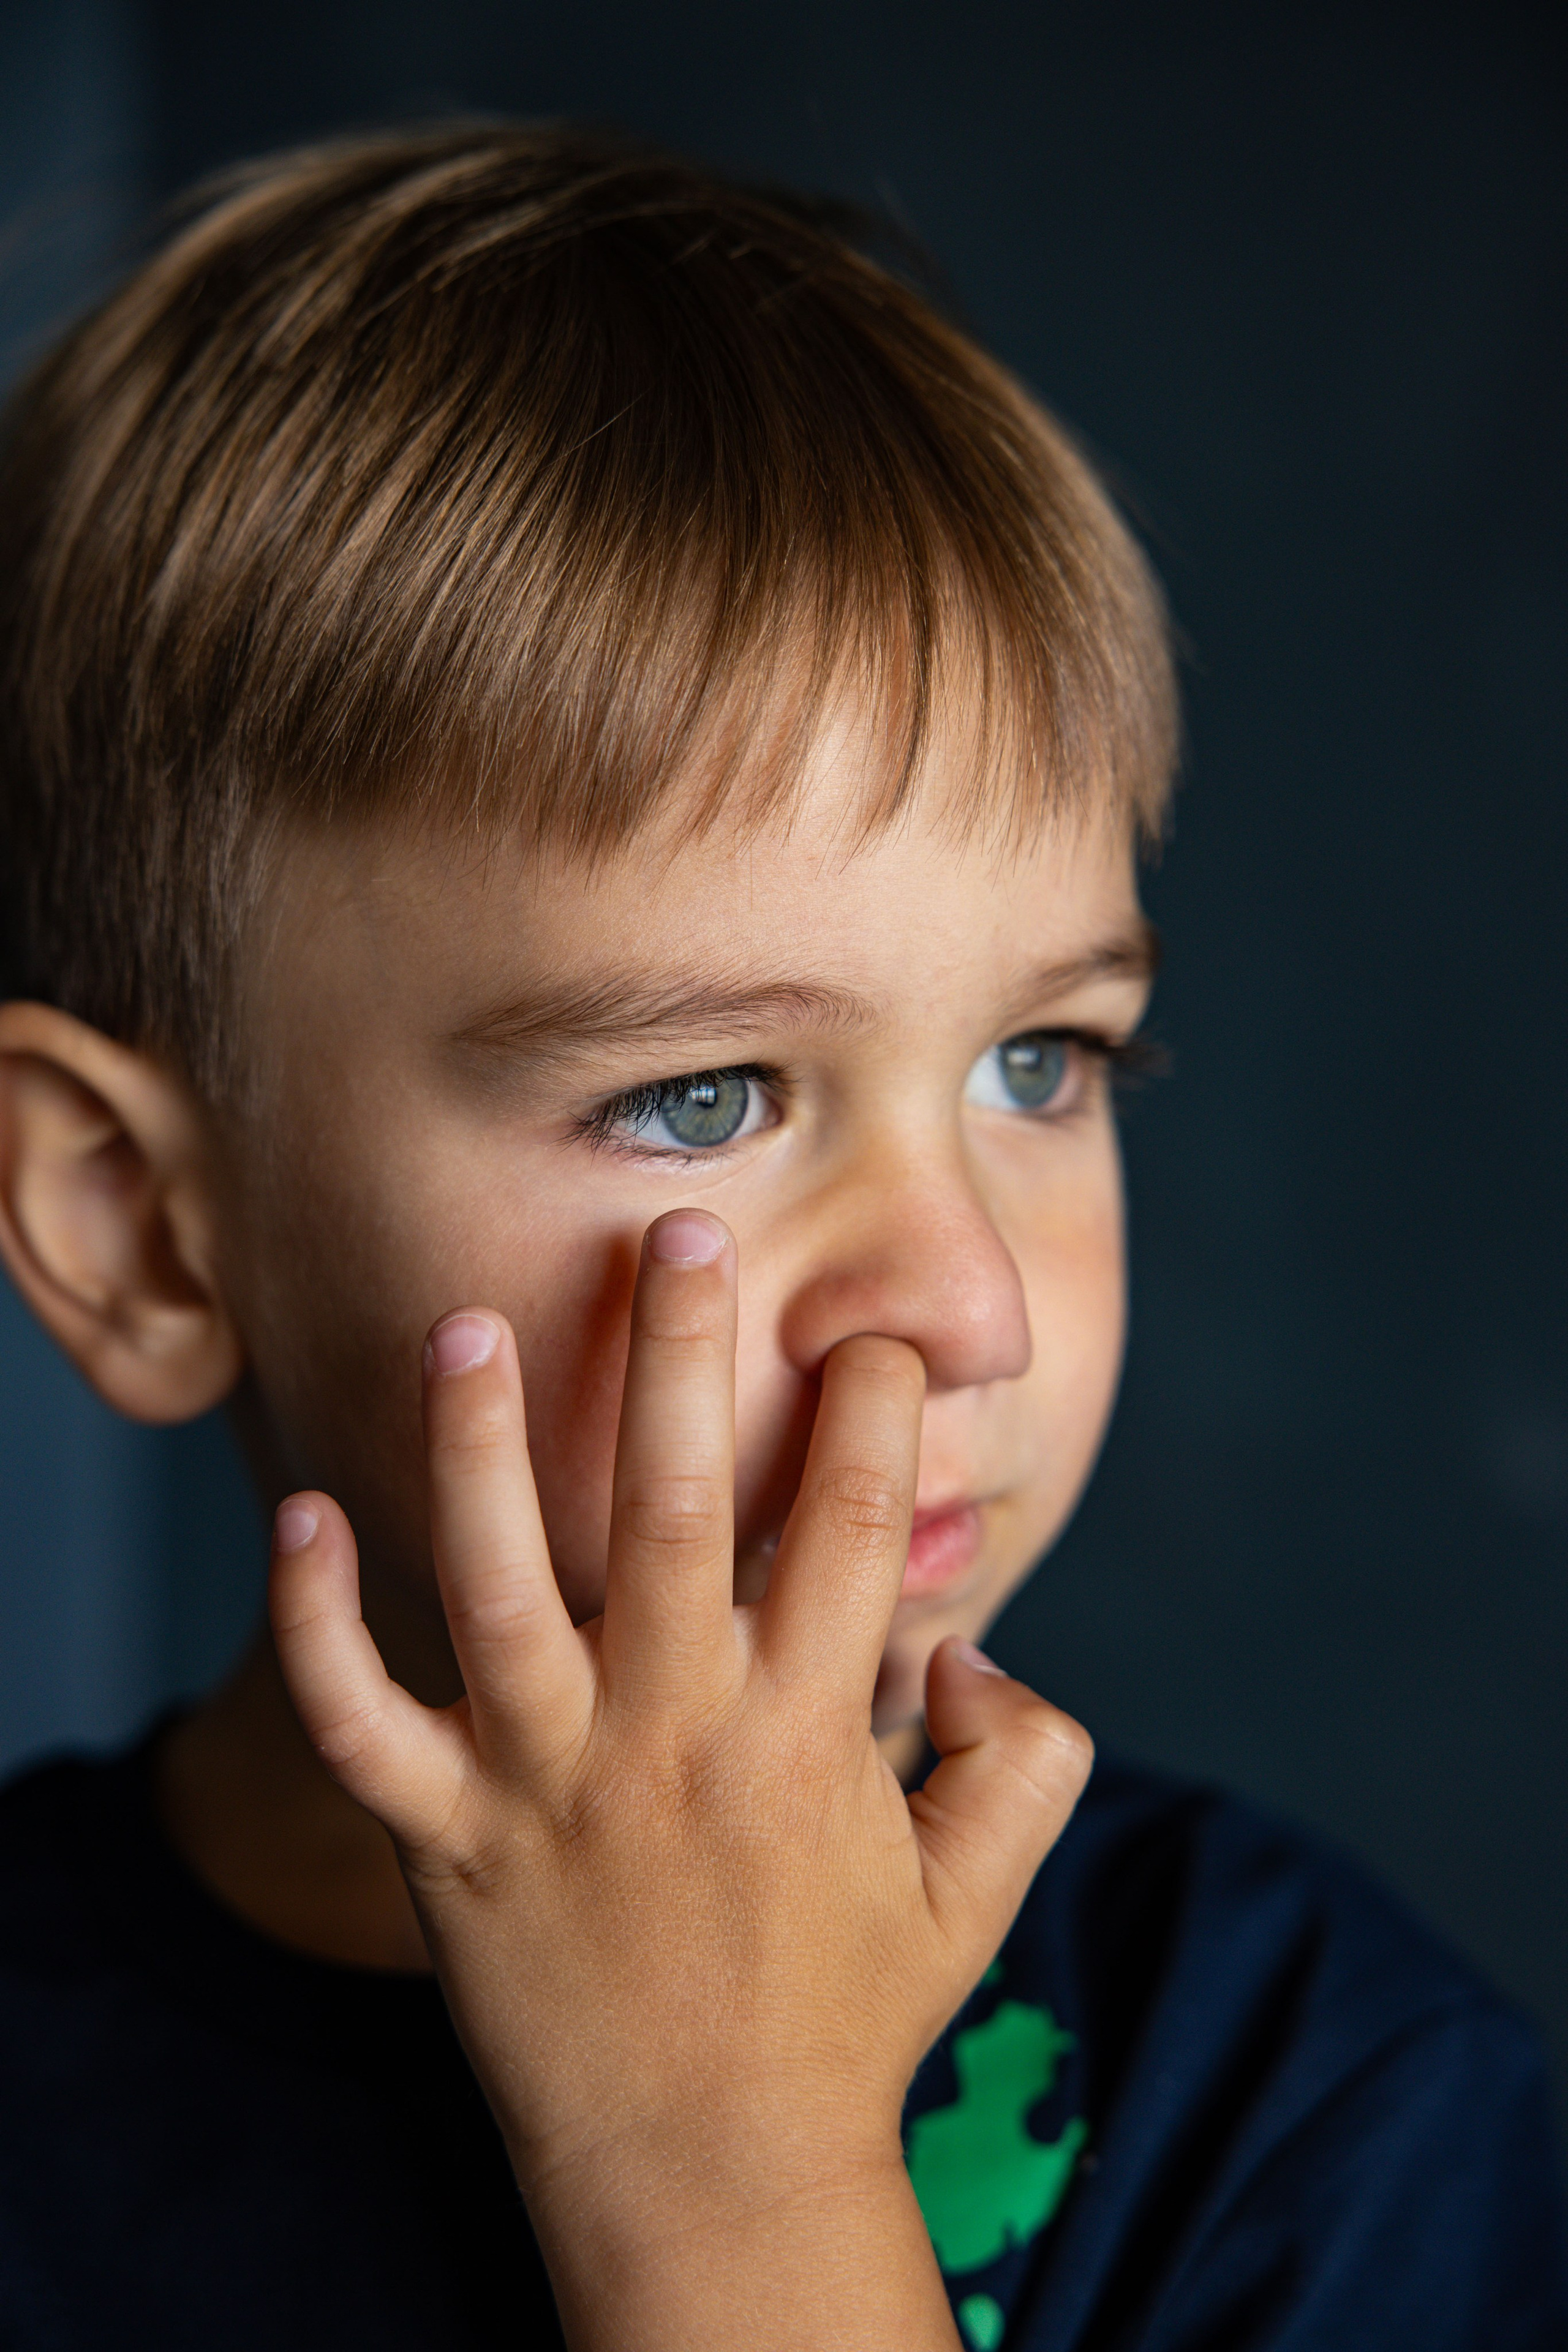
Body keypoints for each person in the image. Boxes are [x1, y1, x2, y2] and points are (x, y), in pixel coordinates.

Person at [0, 123, 1559, 2352]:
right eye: (702, 1100)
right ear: (139, 1227)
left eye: (1045, 1062)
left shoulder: (1314, 2111)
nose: (966, 1302)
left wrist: (729, 2196)